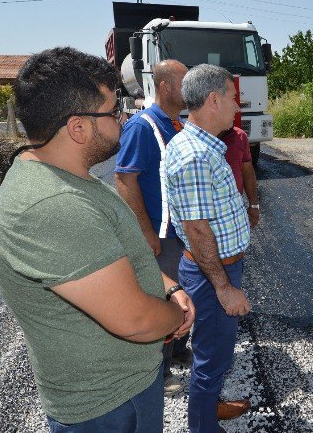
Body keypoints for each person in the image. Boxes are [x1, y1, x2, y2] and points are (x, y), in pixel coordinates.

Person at [0, 47, 195, 432]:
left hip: (124, 390)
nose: (124, 119)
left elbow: (114, 253)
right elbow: (134, 320)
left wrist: (167, 286)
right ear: (78, 128)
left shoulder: (66, 176)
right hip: (107, 407)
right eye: (114, 111)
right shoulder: (51, 206)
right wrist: (176, 316)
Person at [165, 63, 252, 433]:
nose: (237, 105)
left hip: (216, 267)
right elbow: (198, 231)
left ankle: (209, 411)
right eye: (233, 98)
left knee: (213, 354)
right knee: (210, 360)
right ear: (214, 100)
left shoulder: (202, 145)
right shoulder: (196, 155)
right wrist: (224, 287)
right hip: (212, 272)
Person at [114, 59, 192, 397]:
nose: (189, 89)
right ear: (165, 86)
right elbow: (124, 179)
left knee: (183, 293)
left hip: (181, 234)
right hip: (160, 236)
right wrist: (145, 233)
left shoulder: (178, 124)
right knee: (160, 299)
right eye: (184, 82)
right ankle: (156, 371)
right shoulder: (143, 127)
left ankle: (175, 350)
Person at [218, 126, 260, 228]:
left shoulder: (240, 136)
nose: (237, 110)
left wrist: (254, 205)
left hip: (234, 209)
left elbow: (247, 171)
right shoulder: (196, 139)